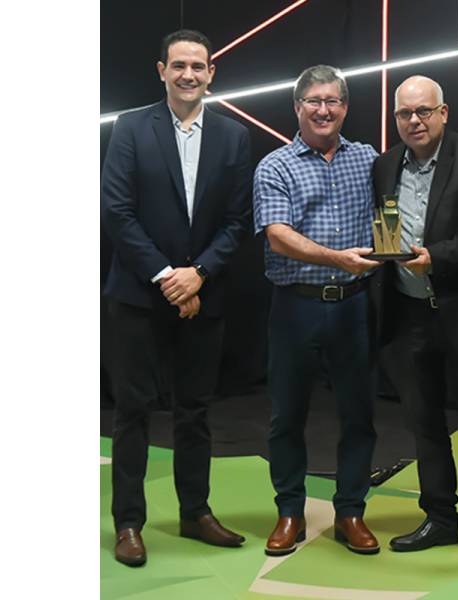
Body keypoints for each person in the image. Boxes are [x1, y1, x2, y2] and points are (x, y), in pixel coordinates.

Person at [101, 29, 251, 567]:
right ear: (161, 71)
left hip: (203, 295)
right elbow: (117, 210)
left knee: (195, 411)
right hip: (139, 296)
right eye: (179, 65)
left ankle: (195, 513)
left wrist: (199, 274)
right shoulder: (130, 127)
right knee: (133, 412)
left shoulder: (234, 137)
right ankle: (129, 523)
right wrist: (170, 277)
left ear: (212, 74)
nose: (189, 74)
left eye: (199, 66)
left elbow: (238, 221)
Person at [373, 76, 458, 568]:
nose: (414, 121)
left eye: (423, 111)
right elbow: (385, 225)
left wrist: (437, 257)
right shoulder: (384, 164)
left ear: (444, 112)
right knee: (425, 426)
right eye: (404, 114)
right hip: (408, 314)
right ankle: (439, 518)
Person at [253, 65, 381, 557]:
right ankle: (290, 511)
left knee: (359, 415)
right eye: (314, 101)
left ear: (345, 107)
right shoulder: (275, 165)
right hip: (296, 306)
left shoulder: (368, 159)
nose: (323, 110)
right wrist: (337, 258)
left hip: (355, 306)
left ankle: (351, 511)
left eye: (332, 101)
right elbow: (277, 236)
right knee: (287, 416)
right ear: (297, 107)